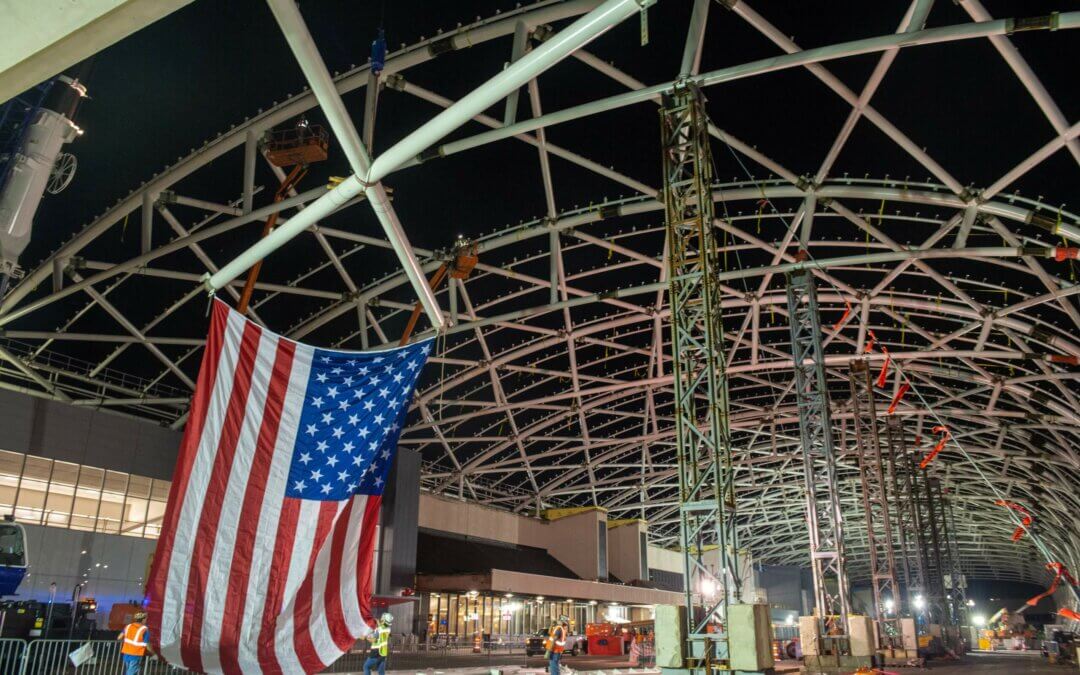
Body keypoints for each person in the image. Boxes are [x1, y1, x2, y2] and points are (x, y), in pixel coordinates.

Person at [117, 611, 150, 675]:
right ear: (143, 619)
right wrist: (153, 653)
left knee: (129, 670)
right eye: (146, 618)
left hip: (126, 652)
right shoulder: (144, 629)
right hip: (136, 653)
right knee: (131, 672)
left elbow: (119, 637)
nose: (146, 620)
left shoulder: (128, 626)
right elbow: (147, 644)